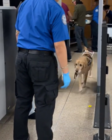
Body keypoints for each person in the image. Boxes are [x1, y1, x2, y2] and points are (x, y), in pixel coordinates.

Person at [14, 0, 71, 139]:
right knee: (44, 103)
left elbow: (17, 34)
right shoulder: (55, 8)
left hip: (21, 57)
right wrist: (65, 72)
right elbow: (59, 45)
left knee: (22, 101)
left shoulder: (24, 4)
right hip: (42, 60)